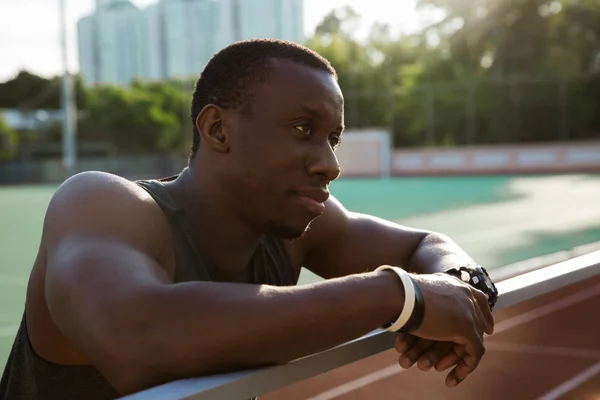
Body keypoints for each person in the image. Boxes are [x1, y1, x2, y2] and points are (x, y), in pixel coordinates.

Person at [0, 39, 497, 400]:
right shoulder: (103, 204)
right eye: (304, 128)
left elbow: (424, 245)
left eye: (333, 138)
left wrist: (456, 284)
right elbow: (138, 339)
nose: (330, 163)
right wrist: (401, 296)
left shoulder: (299, 225)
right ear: (218, 129)